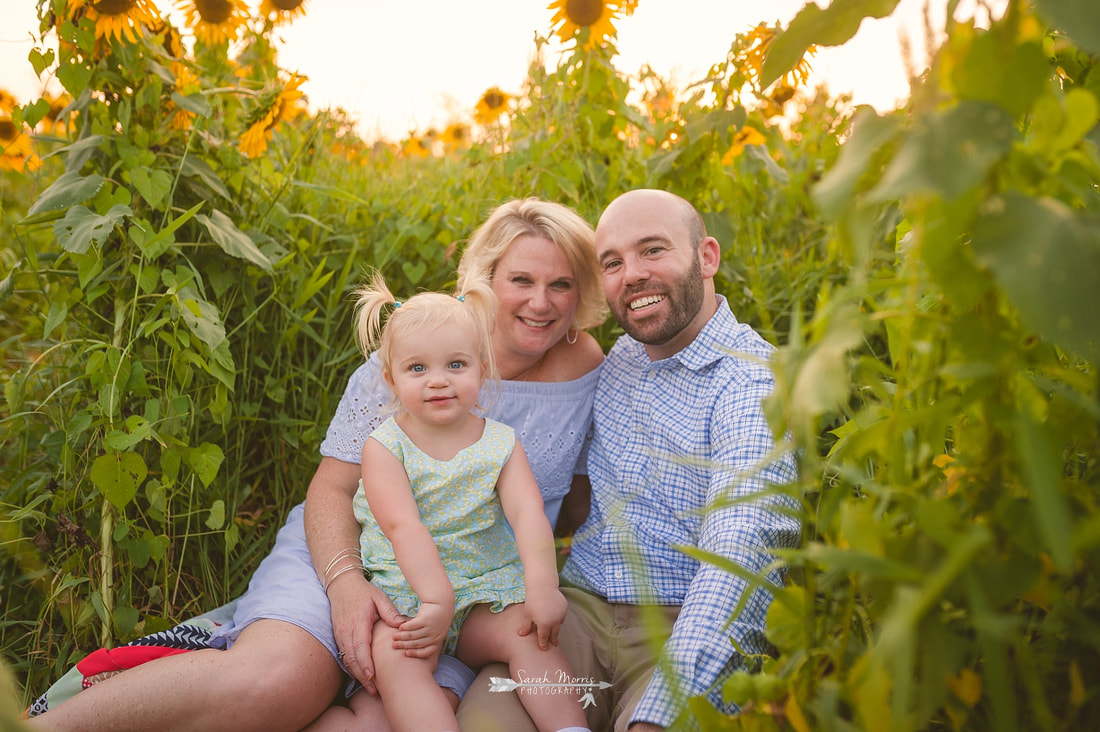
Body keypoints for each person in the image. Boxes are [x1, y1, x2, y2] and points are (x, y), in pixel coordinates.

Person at [27, 198, 607, 731]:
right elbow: (333, 489)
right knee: (278, 681)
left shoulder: (588, 367)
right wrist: (346, 582)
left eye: (561, 284)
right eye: (522, 280)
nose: (542, 302)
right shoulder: (420, 356)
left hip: (470, 588)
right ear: (484, 282)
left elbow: (574, 496)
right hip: (352, 547)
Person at [457, 189, 801, 732]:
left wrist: (658, 714)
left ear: (706, 257)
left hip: (680, 626)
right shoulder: (617, 362)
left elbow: (740, 560)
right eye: (612, 262)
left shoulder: (751, 383)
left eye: (653, 250)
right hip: (577, 618)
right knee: (483, 723)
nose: (631, 274)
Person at [309, 271, 590, 732]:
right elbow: (403, 527)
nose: (438, 381)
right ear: (391, 378)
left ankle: (570, 728)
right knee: (395, 658)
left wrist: (543, 586)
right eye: (417, 369)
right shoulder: (384, 446)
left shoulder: (500, 442)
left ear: (482, 368)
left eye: (456, 365)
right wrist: (435, 602)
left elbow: (528, 515)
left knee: (530, 636)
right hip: (410, 595)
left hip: (484, 590)